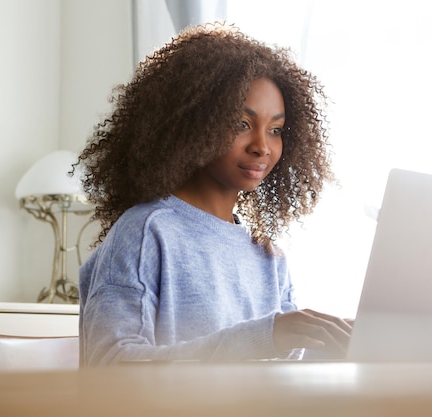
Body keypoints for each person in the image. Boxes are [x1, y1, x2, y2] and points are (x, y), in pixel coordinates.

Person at [75, 22, 352, 366]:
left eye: (276, 130)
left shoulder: (267, 256)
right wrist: (265, 337)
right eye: (241, 124)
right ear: (194, 124)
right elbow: (110, 366)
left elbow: (280, 374)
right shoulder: (147, 232)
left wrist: (335, 343)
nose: (262, 147)